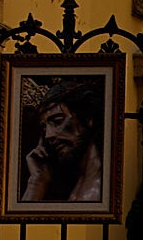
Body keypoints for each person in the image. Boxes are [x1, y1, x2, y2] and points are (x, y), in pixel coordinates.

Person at [16, 79, 104, 208]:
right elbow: (20, 225)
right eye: (44, 128)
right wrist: (37, 180)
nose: (48, 135)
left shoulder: (102, 187)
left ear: (87, 118)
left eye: (57, 121)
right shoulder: (70, 184)